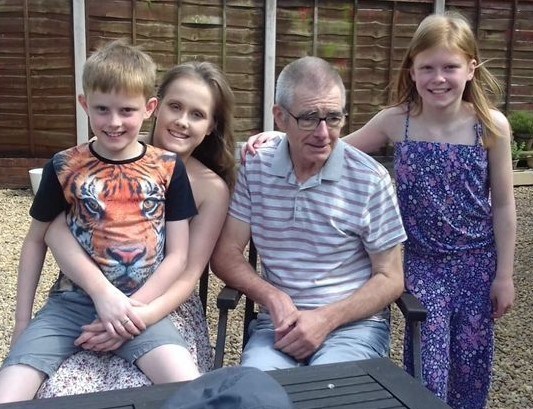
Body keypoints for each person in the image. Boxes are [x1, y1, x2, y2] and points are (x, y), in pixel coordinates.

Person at [242, 12, 516, 409]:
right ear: (412, 70)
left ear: (471, 69)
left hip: (475, 259)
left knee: (471, 357)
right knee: (429, 360)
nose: (438, 78)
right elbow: (333, 142)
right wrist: (280, 135)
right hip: (419, 262)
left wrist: (504, 275)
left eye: (450, 67)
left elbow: (505, 206)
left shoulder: (491, 126)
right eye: (427, 68)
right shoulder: (396, 121)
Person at [0, 40, 201, 402]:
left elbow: (178, 257)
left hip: (140, 304)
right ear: (84, 104)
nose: (113, 122)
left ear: (149, 108)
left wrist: (131, 313)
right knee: (9, 390)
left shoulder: (170, 169)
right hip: (70, 305)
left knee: (191, 387)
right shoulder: (63, 167)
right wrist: (21, 322)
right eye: (102, 109)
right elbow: (35, 241)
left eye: (127, 110)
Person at [36, 60, 236, 397]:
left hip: (164, 303)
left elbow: (188, 272)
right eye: (175, 106)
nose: (182, 121)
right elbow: (54, 224)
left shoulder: (211, 189)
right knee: (61, 388)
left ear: (212, 125)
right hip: (86, 296)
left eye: (197, 114)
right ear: (154, 107)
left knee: (142, 390)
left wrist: (133, 320)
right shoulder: (111, 145)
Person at [210, 56, 407, 371]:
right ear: (280, 118)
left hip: (352, 328)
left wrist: (326, 319)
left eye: (333, 117)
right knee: (255, 396)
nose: (323, 133)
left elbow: (391, 276)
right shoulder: (255, 166)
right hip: (279, 326)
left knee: (327, 396)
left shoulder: (370, 179)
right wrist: (273, 298)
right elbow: (226, 253)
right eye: (309, 118)